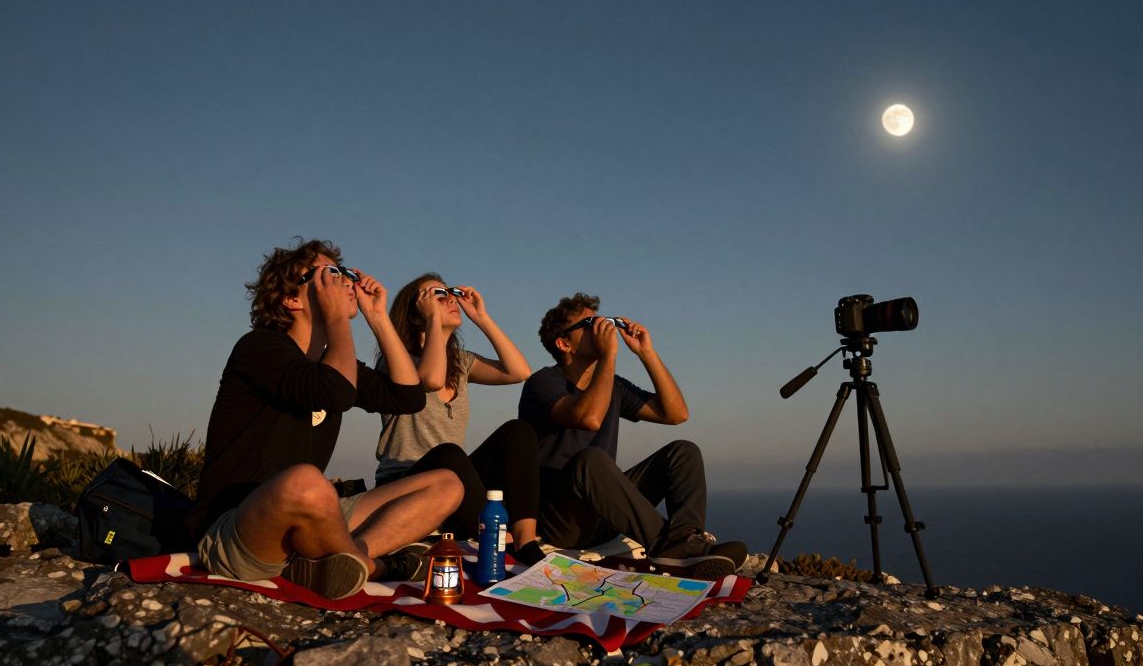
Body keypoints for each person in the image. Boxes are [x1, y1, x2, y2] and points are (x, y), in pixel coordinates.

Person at [185, 239, 464, 600]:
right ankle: (372, 565)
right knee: (306, 481)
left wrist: (377, 316)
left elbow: (407, 398)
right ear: (291, 299)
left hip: (313, 515)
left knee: (447, 483)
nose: (346, 282)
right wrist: (336, 318)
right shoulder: (259, 348)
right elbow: (335, 392)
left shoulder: (336, 365)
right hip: (240, 526)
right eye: (329, 276)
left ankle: (349, 559)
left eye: (345, 273)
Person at [517, 293, 747, 579]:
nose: (601, 327)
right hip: (560, 519)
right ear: (564, 343)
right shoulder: (543, 382)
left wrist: (646, 353)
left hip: (603, 512)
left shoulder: (612, 385)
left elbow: (676, 414)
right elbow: (588, 418)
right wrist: (609, 355)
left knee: (682, 452)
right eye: (589, 323)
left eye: (601, 321)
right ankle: (674, 548)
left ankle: (686, 541)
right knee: (591, 460)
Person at [374, 274, 544, 563]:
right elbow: (431, 377)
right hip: (405, 483)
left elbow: (519, 372)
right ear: (416, 315)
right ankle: (496, 536)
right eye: (438, 295)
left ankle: (525, 542)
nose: (451, 299)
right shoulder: (397, 359)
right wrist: (432, 323)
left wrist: (482, 317)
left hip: (454, 486)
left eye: (450, 292)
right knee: (450, 455)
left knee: (518, 432)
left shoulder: (461, 363)